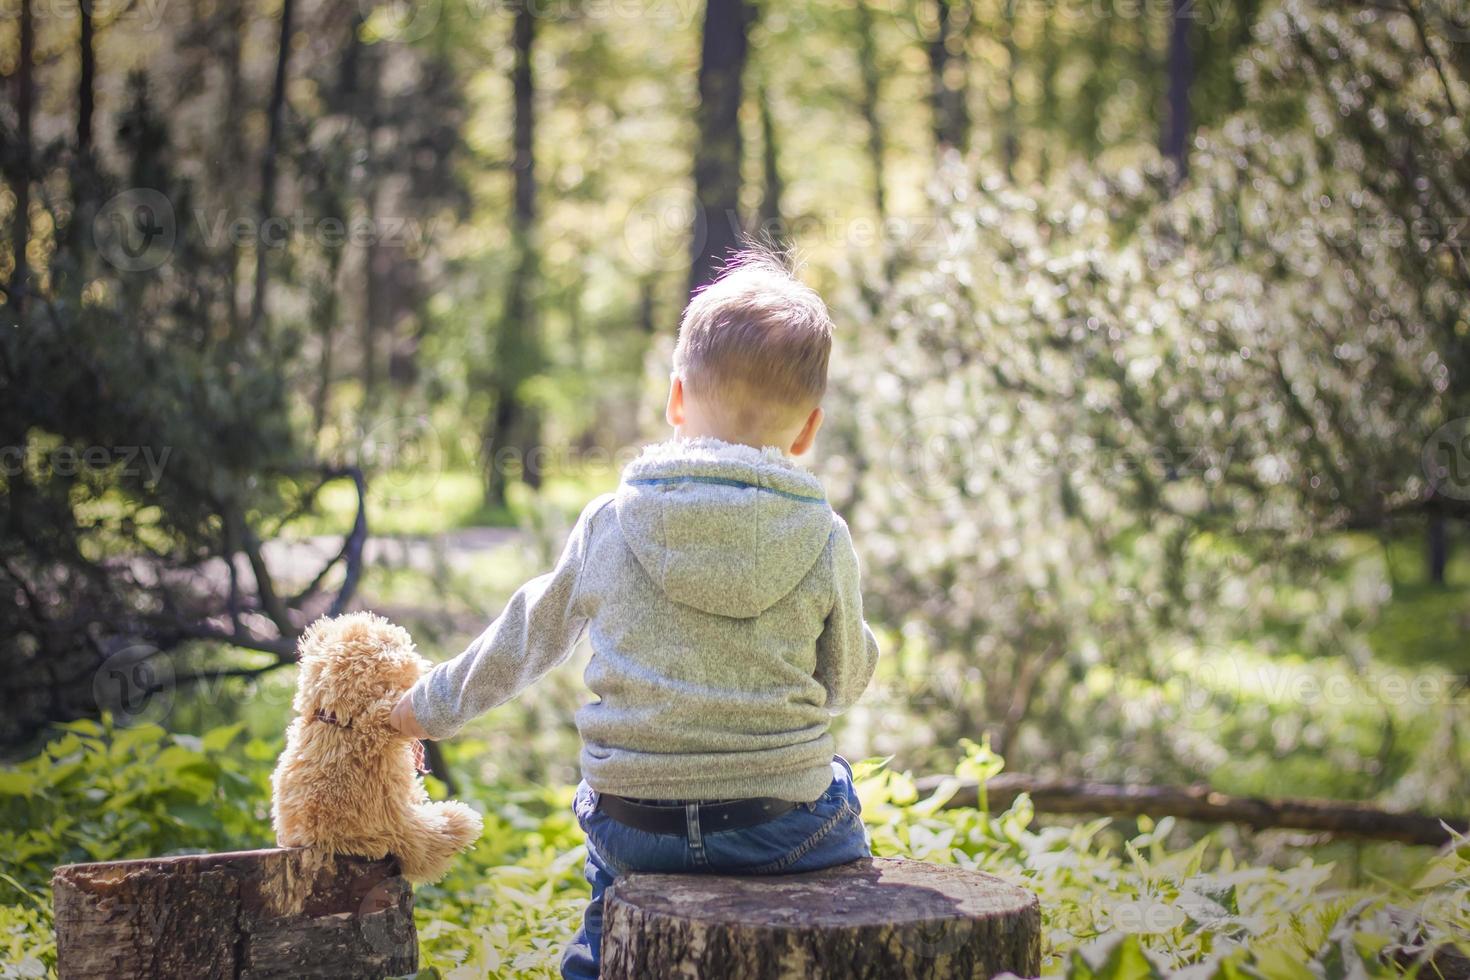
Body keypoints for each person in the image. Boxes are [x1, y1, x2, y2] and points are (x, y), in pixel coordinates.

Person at [389, 248, 882, 979]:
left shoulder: (611, 523)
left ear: (677, 400)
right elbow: (844, 681)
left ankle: (598, 956)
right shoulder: (824, 537)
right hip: (778, 826)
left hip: (634, 821)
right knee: (840, 808)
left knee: (611, 910)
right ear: (807, 429)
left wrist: (425, 708)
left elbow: (528, 634)